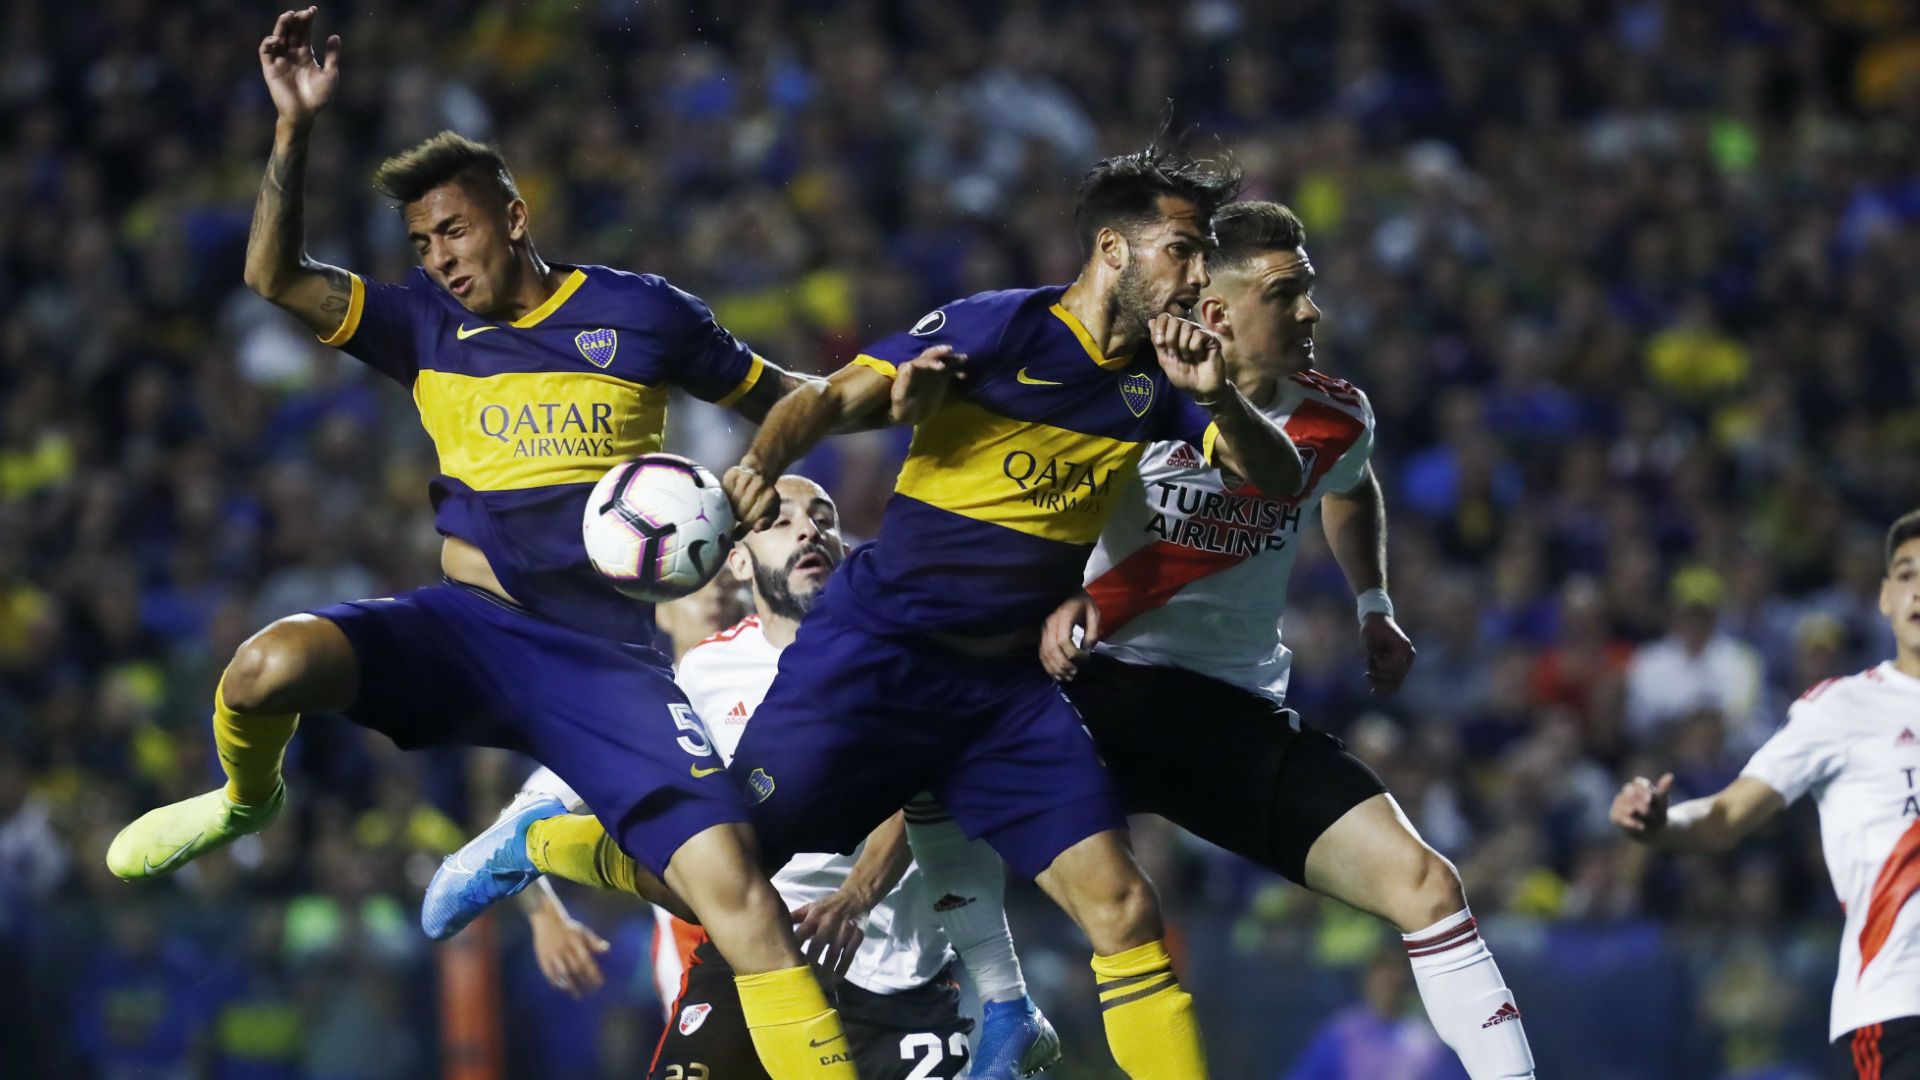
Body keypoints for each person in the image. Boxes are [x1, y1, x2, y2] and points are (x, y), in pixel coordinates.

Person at [105, 10, 867, 1076]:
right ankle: (244, 798)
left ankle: (551, 844)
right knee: (264, 667)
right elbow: (275, 278)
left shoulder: (640, 317)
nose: (439, 258)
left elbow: (789, 395)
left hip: (606, 656)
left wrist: (791, 453)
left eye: (454, 231)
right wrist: (292, 131)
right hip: (468, 627)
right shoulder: (422, 327)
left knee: (738, 895)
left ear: (513, 215)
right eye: (422, 244)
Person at [1041, 201, 1535, 1080]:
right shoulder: (1120, 396)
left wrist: (1373, 601)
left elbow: (1350, 486)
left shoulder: (1333, 415)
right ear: (1218, 314)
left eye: (1310, 291)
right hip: (1091, 690)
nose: (1312, 313)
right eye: (1288, 293)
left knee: (1430, 889)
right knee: (916, 813)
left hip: (1231, 713)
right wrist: (1047, 598)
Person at [458, 476, 1059, 1080]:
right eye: (780, 520)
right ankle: (540, 848)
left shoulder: (908, 649)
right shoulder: (705, 672)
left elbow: (927, 798)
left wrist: (856, 898)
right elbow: (557, 784)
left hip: (895, 979)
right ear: (737, 558)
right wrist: (534, 896)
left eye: (824, 516)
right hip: (751, 963)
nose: (808, 529)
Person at [1612, 509, 1920, 1080]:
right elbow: (1726, 813)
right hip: (1900, 1005)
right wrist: (1661, 824)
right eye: (1906, 574)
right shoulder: (1842, 708)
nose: (1919, 590)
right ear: (1883, 597)